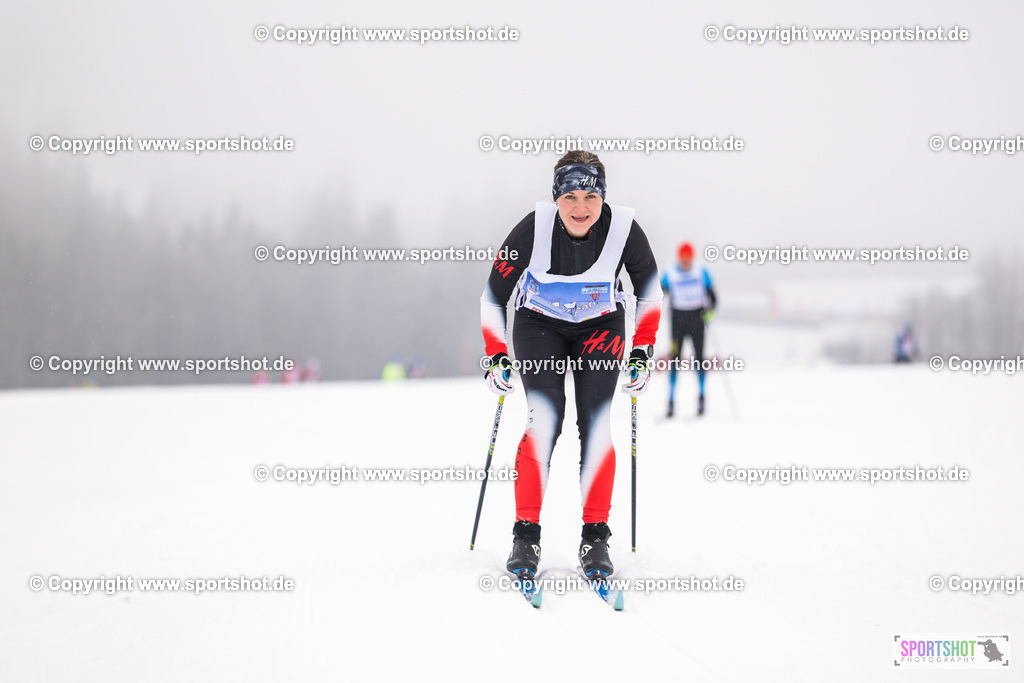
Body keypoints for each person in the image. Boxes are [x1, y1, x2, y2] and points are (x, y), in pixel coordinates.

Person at [480, 151, 662, 580]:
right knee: (543, 421)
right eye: (570, 198)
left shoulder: (624, 230)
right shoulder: (533, 229)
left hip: (600, 326)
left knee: (596, 424)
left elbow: (650, 292)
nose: (581, 208)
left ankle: (595, 538)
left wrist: (642, 351)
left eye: (590, 197)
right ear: (556, 198)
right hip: (539, 326)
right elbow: (493, 296)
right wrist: (496, 354)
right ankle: (525, 536)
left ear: (603, 197)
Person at [661, 242, 717, 418]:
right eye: (683, 258)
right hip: (678, 319)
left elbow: (713, 296)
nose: (685, 262)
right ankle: (671, 401)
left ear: (692, 258)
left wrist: (710, 312)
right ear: (679, 258)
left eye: (688, 258)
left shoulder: (701, 271)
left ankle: (701, 398)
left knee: (699, 359)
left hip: (697, 318)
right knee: (675, 360)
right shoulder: (670, 272)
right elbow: (659, 292)